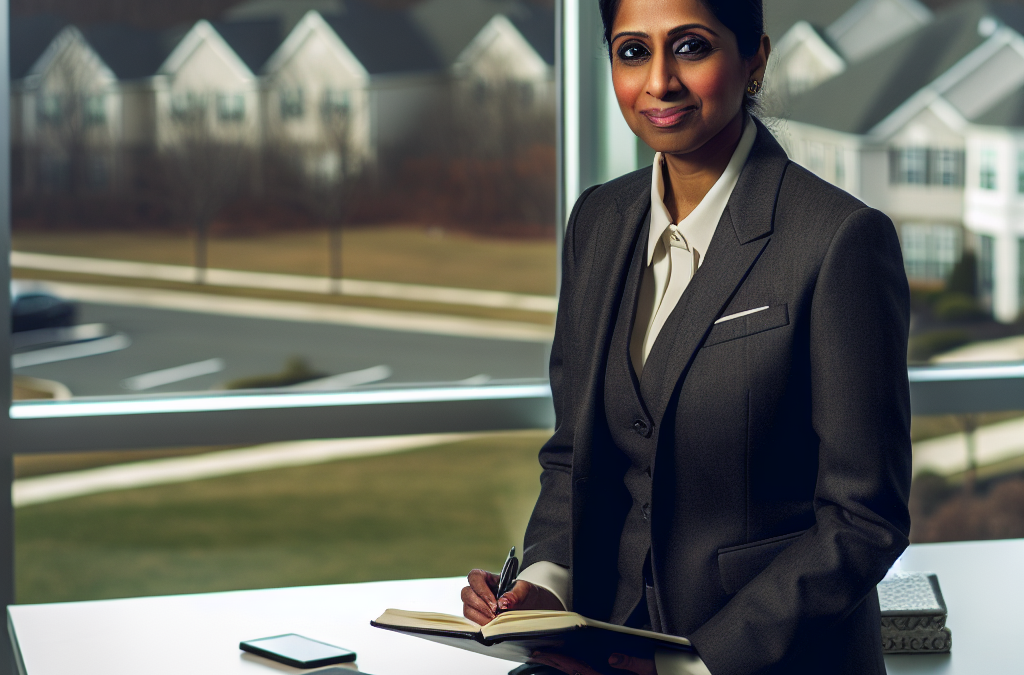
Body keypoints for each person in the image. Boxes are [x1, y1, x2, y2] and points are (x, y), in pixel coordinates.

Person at [462, 0, 912, 673]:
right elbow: (571, 456)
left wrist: (694, 664)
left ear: (754, 60)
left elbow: (864, 518)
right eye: (633, 51)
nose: (659, 82)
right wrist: (546, 582)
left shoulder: (838, 240)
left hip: (758, 659)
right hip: (603, 644)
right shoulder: (597, 222)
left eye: (692, 47)